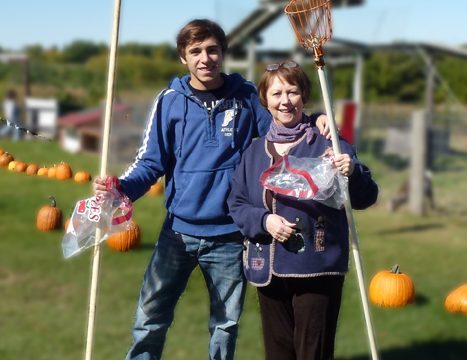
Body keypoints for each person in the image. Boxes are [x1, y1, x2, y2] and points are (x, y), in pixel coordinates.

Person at [94, 20, 330, 360]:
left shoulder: (247, 97)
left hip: (230, 235)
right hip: (178, 232)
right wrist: (120, 191)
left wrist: (317, 119)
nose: (205, 58)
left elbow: (284, 124)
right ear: (183, 58)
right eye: (195, 52)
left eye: (212, 50)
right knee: (150, 316)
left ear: (222, 53)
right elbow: (150, 163)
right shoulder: (170, 102)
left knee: (225, 324)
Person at [227, 60, 378, 360]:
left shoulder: (329, 141)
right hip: (267, 268)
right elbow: (237, 204)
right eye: (277, 93)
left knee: (313, 353)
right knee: (279, 352)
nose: (285, 101)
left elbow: (365, 197)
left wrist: (352, 172)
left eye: (293, 92)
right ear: (265, 100)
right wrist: (265, 220)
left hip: (317, 265)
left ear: (304, 95)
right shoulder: (255, 151)